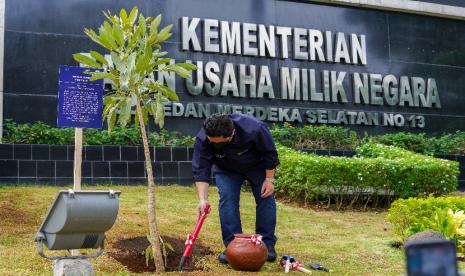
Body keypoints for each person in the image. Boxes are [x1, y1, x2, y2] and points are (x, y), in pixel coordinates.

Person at [192, 113, 280, 264]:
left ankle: (266, 244)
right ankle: (233, 246)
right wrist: (203, 199)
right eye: (213, 143)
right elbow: (201, 168)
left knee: (265, 197)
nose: (215, 145)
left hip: (257, 167)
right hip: (226, 168)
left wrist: (269, 180)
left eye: (219, 143)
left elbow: (269, 154)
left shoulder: (255, 128)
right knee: (227, 200)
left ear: (232, 133)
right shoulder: (204, 137)